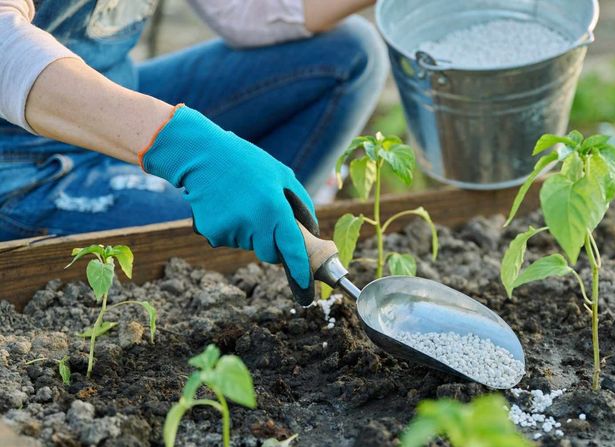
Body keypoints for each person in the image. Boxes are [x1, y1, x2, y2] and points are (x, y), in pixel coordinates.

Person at [0, 0, 388, 304]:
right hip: (22, 162)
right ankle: (253, 232)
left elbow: (244, 10)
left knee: (349, 53)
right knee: (220, 232)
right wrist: (187, 146)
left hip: (115, 93)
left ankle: (263, 201)